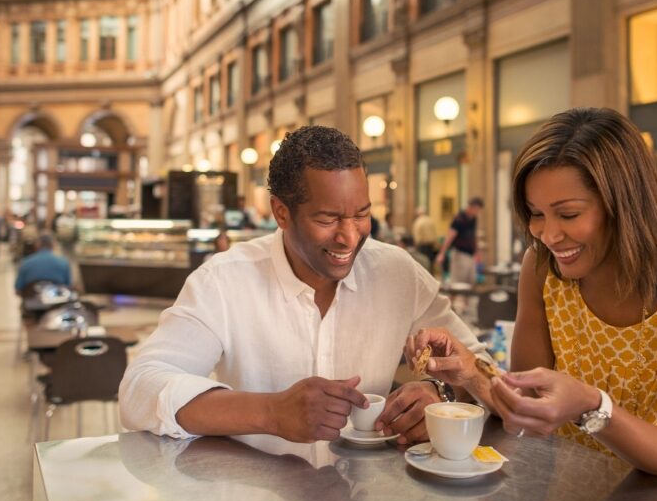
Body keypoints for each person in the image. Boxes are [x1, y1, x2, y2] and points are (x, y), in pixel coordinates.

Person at [409, 108, 657, 501]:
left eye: (568, 214)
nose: (549, 234)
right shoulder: (542, 269)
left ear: (624, 205)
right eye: (536, 214)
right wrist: (470, 371)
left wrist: (594, 407)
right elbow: (527, 408)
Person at [119, 125, 488, 444]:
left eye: (361, 214)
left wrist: (438, 392)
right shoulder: (224, 281)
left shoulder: (399, 275)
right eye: (328, 218)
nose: (349, 236)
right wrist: (270, 412)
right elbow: (139, 389)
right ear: (281, 212)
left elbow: (483, 371)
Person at [434, 197, 484, 284]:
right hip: (460, 254)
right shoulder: (459, 219)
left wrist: (476, 252)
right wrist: (442, 253)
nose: (477, 212)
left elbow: (473, 236)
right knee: (458, 282)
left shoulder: (473, 219)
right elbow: (450, 236)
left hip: (470, 255)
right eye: (477, 209)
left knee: (470, 281)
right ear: (471, 207)